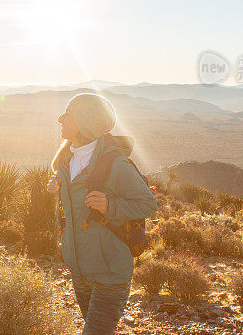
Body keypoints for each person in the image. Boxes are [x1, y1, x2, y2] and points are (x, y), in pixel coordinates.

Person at [47, 93, 158, 335]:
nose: (60, 119)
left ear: (85, 122)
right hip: (81, 270)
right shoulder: (66, 161)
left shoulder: (116, 164)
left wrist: (110, 205)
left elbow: (148, 204)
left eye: (68, 115)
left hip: (111, 274)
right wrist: (58, 188)